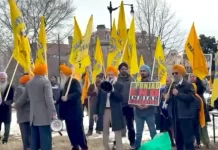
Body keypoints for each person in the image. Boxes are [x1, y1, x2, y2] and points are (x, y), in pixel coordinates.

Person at [13, 64, 57, 150]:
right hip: (44, 117)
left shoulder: (29, 83)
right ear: (44, 72)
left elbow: (23, 97)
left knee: (34, 142)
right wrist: (53, 112)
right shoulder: (45, 82)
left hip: (33, 117)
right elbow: (49, 99)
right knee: (45, 141)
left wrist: (16, 105)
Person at [94, 66, 125, 150]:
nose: (110, 76)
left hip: (115, 111)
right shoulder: (102, 85)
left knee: (117, 132)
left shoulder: (119, 85)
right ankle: (106, 148)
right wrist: (96, 112)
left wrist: (113, 89)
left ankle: (119, 148)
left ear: (115, 75)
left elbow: (120, 98)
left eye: (112, 74)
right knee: (105, 132)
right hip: (104, 111)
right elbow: (98, 100)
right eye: (109, 74)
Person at [166, 64, 196, 150]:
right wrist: (167, 99)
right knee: (178, 141)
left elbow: (191, 98)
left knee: (188, 141)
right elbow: (172, 100)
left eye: (176, 73)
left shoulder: (187, 85)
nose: (174, 75)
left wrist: (178, 94)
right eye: (173, 73)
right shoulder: (173, 85)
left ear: (181, 73)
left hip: (185, 117)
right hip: (175, 117)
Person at [58, 64, 88, 150]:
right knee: (70, 131)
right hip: (67, 113)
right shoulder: (64, 84)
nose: (60, 74)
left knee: (78, 131)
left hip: (75, 112)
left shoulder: (74, 81)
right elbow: (61, 97)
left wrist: (68, 97)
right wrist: (55, 102)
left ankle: (83, 146)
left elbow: (78, 93)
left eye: (61, 73)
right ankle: (75, 145)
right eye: (60, 73)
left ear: (66, 74)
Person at [134, 65, 157, 150]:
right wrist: (137, 105)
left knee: (153, 132)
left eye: (144, 71)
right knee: (138, 133)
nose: (142, 72)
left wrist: (149, 104)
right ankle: (137, 147)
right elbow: (133, 98)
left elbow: (156, 98)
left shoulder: (153, 84)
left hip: (150, 112)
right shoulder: (136, 85)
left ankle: (155, 147)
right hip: (138, 112)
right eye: (141, 71)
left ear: (148, 72)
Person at [117, 62, 135, 149]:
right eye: (122, 69)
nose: (124, 70)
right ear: (119, 70)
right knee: (118, 126)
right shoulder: (116, 79)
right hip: (119, 105)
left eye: (125, 69)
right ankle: (117, 142)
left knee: (130, 126)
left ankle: (132, 143)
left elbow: (136, 89)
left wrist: (133, 102)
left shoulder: (131, 79)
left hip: (129, 105)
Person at [190, 74, 211, 148]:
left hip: (201, 110)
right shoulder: (189, 86)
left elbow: (203, 87)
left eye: (193, 76)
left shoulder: (200, 87)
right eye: (191, 77)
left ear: (197, 78)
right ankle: (197, 142)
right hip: (193, 111)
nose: (191, 78)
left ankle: (206, 142)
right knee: (196, 127)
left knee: (203, 127)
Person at [13, 74, 31, 150]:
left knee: (30, 135)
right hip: (23, 116)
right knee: (25, 135)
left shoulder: (28, 88)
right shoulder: (20, 89)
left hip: (29, 115)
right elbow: (18, 101)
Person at [158, 77, 175, 147]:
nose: (166, 82)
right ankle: (163, 142)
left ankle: (171, 142)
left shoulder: (173, 89)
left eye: (168, 81)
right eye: (166, 81)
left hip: (170, 112)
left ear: (171, 82)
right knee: (162, 127)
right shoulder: (162, 89)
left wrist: (169, 97)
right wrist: (162, 97)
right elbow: (160, 99)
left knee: (168, 128)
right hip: (162, 111)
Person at [0, 72, 14, 144]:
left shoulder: (10, 87)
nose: (2, 80)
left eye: (4, 78)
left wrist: (7, 103)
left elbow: (12, 98)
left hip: (6, 109)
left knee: (7, 125)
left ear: (6, 78)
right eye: (1, 78)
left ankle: (5, 139)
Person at [191, 83, 206, 149]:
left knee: (193, 131)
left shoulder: (194, 97)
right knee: (196, 131)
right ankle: (198, 143)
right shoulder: (198, 97)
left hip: (192, 117)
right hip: (196, 117)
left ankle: (195, 143)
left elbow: (197, 107)